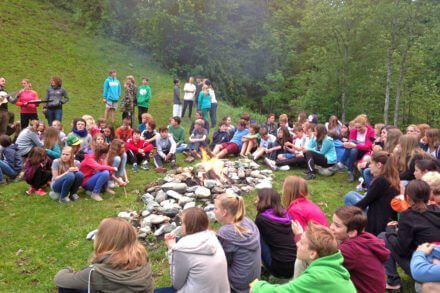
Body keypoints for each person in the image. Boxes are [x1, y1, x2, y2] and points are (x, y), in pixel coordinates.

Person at [54, 217, 153, 292]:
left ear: (103, 240)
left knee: (66, 288)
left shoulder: (96, 273)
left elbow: (60, 279)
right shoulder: (143, 258)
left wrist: (67, 269)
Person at [250, 223, 356, 293]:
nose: (297, 244)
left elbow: (285, 292)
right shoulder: (331, 267)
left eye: (301, 243)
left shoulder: (318, 276)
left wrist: (257, 287)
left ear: (313, 254)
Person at [382, 180, 440, 290]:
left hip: (423, 263)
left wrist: (390, 231)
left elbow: (401, 250)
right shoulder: (437, 210)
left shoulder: (407, 216)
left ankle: (393, 281)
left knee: (383, 236)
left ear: (407, 197)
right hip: (436, 257)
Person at [162, 207, 229, 293]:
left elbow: (176, 284)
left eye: (182, 223)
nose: (181, 225)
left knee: (156, 291)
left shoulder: (181, 250)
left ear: (188, 226)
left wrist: (171, 249)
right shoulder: (213, 237)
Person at [330, 206, 390, 293]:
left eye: (337, 225)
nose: (331, 227)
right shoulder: (365, 238)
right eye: (332, 222)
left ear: (351, 232)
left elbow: (324, 266)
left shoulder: (349, 250)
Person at [214, 193, 261, 293]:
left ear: (224, 212)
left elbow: (221, 261)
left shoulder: (225, 232)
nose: (214, 211)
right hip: (254, 280)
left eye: (215, 208)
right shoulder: (248, 222)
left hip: (237, 285)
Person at [344, 151, 400, 235]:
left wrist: (345, 213)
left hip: (376, 222)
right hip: (386, 218)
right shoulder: (393, 178)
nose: (369, 166)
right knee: (352, 194)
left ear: (379, 165)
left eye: (371, 163)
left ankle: (355, 225)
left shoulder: (381, 181)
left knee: (349, 197)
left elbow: (364, 203)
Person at [254, 188, 296, 279]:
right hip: (294, 263)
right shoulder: (286, 215)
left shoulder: (261, 219)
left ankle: (260, 266)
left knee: (256, 235)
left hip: (278, 267)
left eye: (257, 199)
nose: (255, 201)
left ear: (264, 201)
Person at [336, 115, 375, 182]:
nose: (358, 129)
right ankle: (350, 172)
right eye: (356, 127)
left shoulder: (370, 131)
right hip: (355, 151)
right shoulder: (353, 131)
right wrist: (347, 144)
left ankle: (342, 162)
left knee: (353, 144)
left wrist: (355, 145)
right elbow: (351, 145)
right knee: (353, 149)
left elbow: (368, 147)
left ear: (365, 125)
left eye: (360, 127)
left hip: (366, 152)